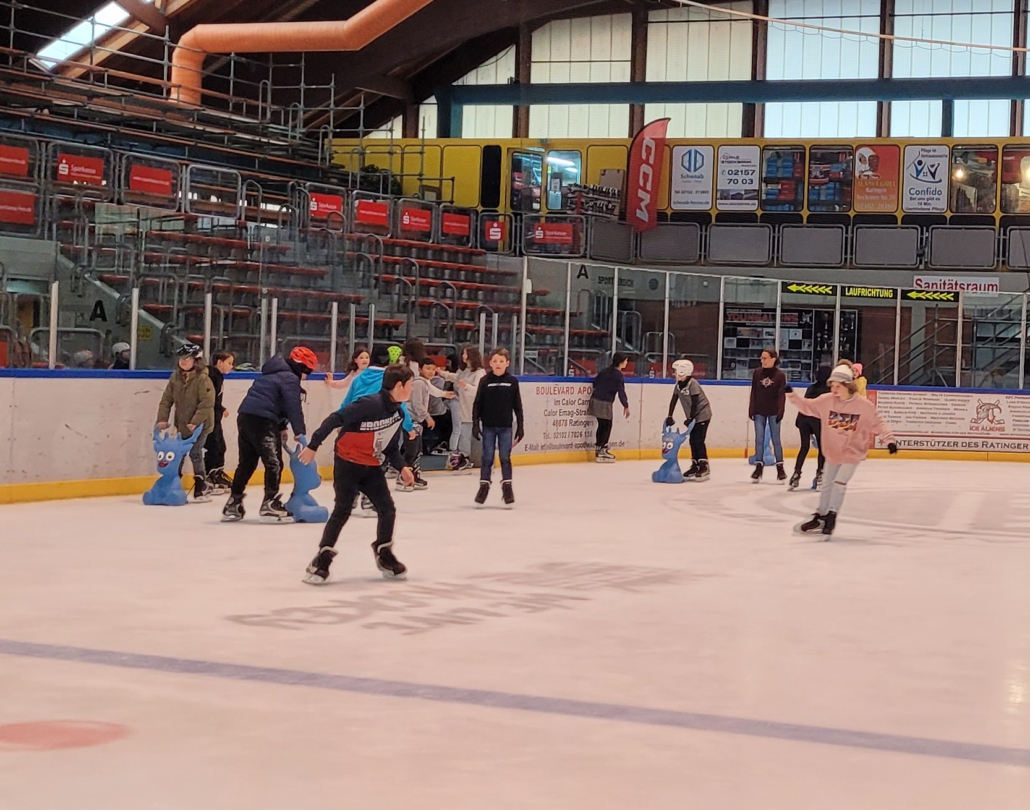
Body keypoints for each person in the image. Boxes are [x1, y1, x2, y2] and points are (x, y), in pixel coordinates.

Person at [299, 363, 415, 584]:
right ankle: (321, 559)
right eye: (410, 384)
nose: (412, 389)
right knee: (342, 509)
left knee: (387, 509)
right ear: (399, 386)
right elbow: (335, 418)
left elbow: (390, 447)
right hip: (347, 464)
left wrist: (402, 467)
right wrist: (313, 445)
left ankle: (384, 553)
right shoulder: (369, 404)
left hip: (371, 466)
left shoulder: (398, 413)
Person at [788, 364, 897, 539]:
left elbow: (878, 422)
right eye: (832, 385)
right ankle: (821, 515)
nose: (833, 389)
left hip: (852, 453)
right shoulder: (827, 401)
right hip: (833, 452)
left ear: (847, 385)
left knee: (839, 482)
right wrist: (791, 395)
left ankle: (831, 515)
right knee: (827, 484)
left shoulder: (863, 406)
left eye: (837, 386)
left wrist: (889, 440)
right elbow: (807, 406)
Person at [222, 346, 315, 522]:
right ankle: (270, 503)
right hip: (263, 421)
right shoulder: (290, 377)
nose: (306, 376)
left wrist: (281, 426)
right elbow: (293, 407)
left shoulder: (272, 373)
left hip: (246, 417)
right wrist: (299, 432)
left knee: (247, 462)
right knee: (274, 463)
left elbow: (275, 401)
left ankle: (234, 502)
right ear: (301, 367)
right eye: (308, 372)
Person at [155, 344, 216, 503]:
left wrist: (195, 422)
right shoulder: (175, 377)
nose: (183, 361)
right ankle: (173, 483)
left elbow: (207, 403)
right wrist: (162, 419)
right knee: (179, 453)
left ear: (196, 361)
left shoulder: (203, 379)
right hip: (182, 424)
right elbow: (166, 400)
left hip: (201, 426)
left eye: (187, 359)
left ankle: (200, 486)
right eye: (181, 358)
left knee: (195, 452)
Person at [472, 348, 524, 507]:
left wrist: (520, 426)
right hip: (488, 426)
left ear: (507, 363)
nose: (498, 364)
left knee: (505, 457)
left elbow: (517, 405)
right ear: (490, 363)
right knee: (487, 457)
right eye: (495, 361)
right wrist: (475, 423)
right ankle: (484, 486)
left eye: (501, 361)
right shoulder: (485, 381)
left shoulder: (512, 382)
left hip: (505, 427)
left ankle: (507, 488)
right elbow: (477, 404)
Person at [439, 346, 486, 472]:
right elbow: (456, 377)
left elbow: (478, 390)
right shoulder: (464, 371)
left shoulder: (479, 373)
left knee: (472, 435)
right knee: (464, 434)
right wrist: (442, 373)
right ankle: (464, 457)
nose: (463, 356)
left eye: (465, 353)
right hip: (464, 408)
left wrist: (466, 386)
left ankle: (474, 458)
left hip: (475, 409)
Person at [666, 359, 712, 481]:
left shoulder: (693, 384)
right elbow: (673, 400)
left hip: (702, 415)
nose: (674, 373)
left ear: (683, 371)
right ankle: (695, 465)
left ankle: (704, 465)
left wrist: (691, 417)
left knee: (698, 440)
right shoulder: (678, 385)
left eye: (675, 371)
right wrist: (670, 416)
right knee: (692, 440)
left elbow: (695, 402)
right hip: (693, 417)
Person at [789, 363, 830, 492]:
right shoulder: (828, 391)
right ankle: (820, 474)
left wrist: (798, 419)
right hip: (817, 421)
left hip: (804, 420)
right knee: (822, 448)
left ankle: (796, 474)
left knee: (804, 447)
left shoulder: (811, 387)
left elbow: (803, 404)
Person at [748, 348, 787, 483]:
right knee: (759, 439)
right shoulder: (757, 373)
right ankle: (759, 467)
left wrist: (781, 410)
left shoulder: (780, 375)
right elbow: (754, 391)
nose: (762, 361)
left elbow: (781, 395)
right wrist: (751, 408)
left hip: (774, 411)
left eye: (765, 358)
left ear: (773, 359)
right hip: (759, 410)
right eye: (761, 358)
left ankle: (780, 468)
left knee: (776, 439)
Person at [587, 352, 631, 463]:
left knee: (602, 425)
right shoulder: (618, 376)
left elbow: (595, 383)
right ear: (621, 362)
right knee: (607, 425)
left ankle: (599, 448)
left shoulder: (604, 371)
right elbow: (621, 392)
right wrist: (626, 406)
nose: (627, 363)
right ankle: (602, 449)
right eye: (626, 361)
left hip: (595, 399)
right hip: (605, 402)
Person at [204, 351, 235, 495]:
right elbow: (208, 398)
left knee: (220, 447)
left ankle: (217, 474)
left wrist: (221, 408)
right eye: (229, 363)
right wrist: (220, 408)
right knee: (214, 447)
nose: (231, 366)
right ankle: (210, 477)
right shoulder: (212, 376)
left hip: (215, 417)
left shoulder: (218, 376)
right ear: (219, 362)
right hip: (209, 418)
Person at [408, 357, 440, 488]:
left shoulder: (425, 383)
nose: (431, 371)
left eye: (433, 369)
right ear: (420, 369)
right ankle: (407, 476)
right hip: (412, 420)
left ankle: (412, 475)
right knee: (413, 449)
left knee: (416, 449)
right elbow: (417, 403)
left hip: (415, 420)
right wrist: (427, 417)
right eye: (428, 368)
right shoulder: (419, 383)